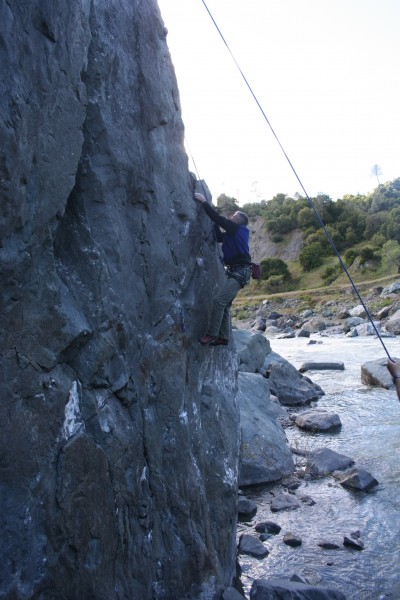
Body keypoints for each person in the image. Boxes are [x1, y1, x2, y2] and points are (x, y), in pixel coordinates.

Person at [194, 191, 252, 346]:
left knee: (219, 301)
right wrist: (212, 222)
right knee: (224, 305)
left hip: (239, 272)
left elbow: (218, 219)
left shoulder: (237, 229)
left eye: (234, 215)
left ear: (238, 221)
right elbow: (220, 237)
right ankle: (223, 337)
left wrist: (204, 202)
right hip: (238, 271)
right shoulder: (235, 233)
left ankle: (212, 334)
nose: (231, 215)